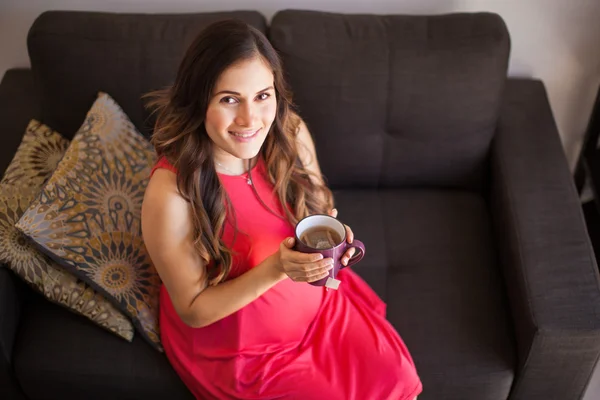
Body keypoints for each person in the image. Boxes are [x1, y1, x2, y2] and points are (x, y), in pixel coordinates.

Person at [141, 19, 422, 400]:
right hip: (244, 353)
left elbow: (322, 204)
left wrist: (333, 246)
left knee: (399, 381)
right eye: (229, 99)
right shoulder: (171, 190)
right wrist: (277, 268)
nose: (250, 120)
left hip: (322, 311)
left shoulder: (289, 133)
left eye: (262, 95)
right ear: (198, 100)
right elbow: (193, 309)